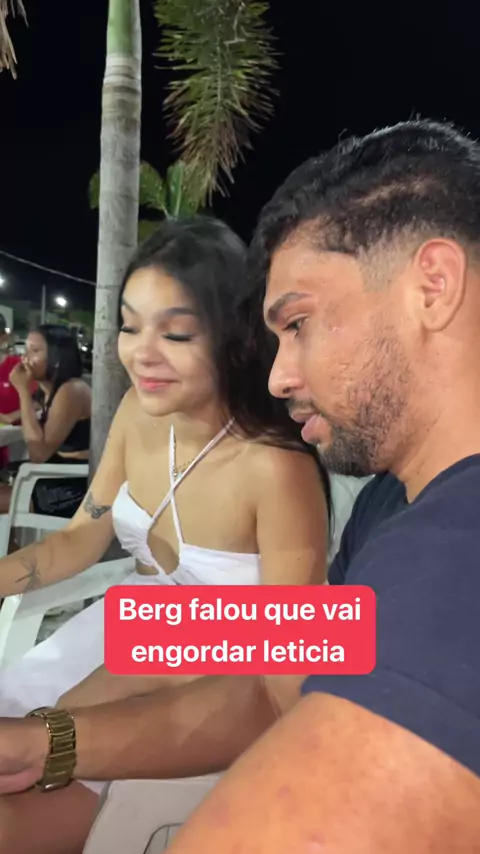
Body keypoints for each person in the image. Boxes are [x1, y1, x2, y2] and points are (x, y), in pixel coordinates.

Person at [1, 117, 479, 853]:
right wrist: (52, 737)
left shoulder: (448, 556)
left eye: (301, 322)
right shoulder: (390, 502)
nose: (281, 376)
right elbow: (279, 671)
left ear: (433, 285)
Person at [0, 215, 329, 853]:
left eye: (175, 333)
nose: (141, 353)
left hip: (208, 685)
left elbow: (291, 656)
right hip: (119, 632)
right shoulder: (138, 412)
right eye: (129, 326)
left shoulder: (275, 469)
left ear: (233, 336)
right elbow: (80, 537)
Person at [0, 324, 91, 517]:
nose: (25, 357)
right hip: (52, 475)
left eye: (34, 351)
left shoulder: (72, 390)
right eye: (25, 350)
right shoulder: (46, 392)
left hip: (71, 487)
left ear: (57, 358)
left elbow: (38, 454)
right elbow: (14, 418)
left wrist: (23, 391)